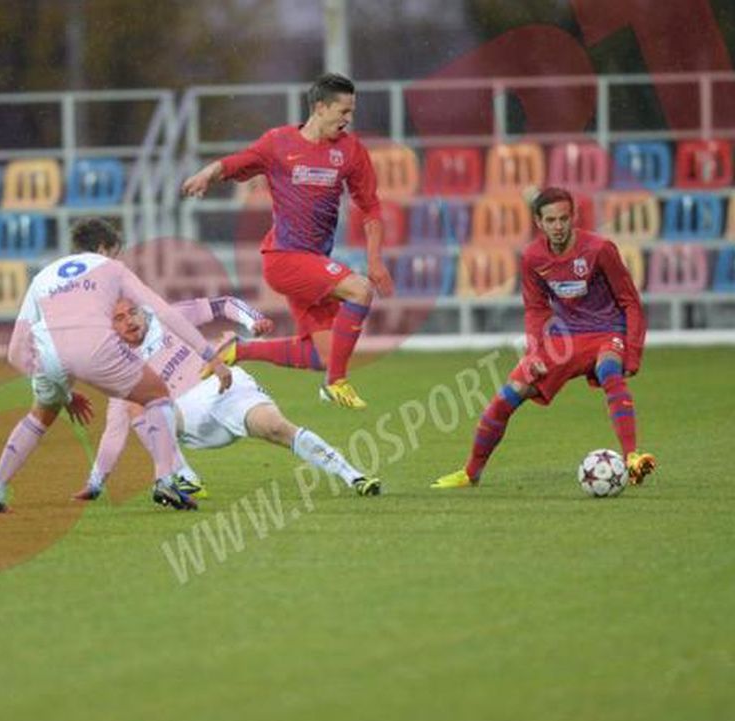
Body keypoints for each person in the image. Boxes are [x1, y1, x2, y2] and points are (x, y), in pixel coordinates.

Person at [0, 219, 233, 515]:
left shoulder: (43, 276)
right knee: (156, 395)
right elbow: (160, 310)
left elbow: (16, 352)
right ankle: (165, 479)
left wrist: (64, 394)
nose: (116, 258)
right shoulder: (111, 268)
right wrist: (209, 355)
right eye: (114, 252)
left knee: (41, 413)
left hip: (50, 352)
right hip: (97, 344)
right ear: (102, 248)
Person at [180, 72, 394, 410]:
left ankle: (239, 350)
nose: (348, 119)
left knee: (323, 353)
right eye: (343, 111)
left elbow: (370, 207)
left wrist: (375, 258)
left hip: (314, 263)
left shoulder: (351, 151)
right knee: (360, 290)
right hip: (283, 258)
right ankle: (336, 383)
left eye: (352, 111)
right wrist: (209, 172)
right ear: (320, 108)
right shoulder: (278, 142)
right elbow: (240, 162)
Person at [431, 187, 658, 490]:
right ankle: (470, 472)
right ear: (539, 222)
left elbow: (630, 301)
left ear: (573, 217)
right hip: (564, 341)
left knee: (609, 371)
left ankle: (632, 457)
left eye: (564, 218)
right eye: (551, 220)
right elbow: (536, 310)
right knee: (507, 397)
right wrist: (535, 353)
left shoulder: (600, 249)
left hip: (607, 331)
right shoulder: (533, 257)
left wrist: (633, 352)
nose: (558, 226)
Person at [71, 295, 382, 502]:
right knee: (133, 402)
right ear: (109, 326)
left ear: (142, 310)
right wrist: (96, 482)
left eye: (132, 312)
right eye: (119, 318)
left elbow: (222, 305)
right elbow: (115, 429)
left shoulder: (167, 318)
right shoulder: (118, 363)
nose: (130, 321)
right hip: (185, 417)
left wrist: (252, 321)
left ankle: (353, 476)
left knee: (276, 428)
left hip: (225, 390)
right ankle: (182, 475)